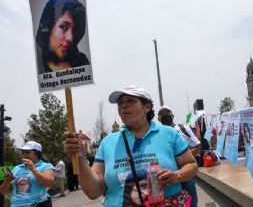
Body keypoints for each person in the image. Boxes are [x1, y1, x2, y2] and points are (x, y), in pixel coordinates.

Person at [64, 85, 198, 206]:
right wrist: (80, 159)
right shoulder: (108, 143)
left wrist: (176, 176)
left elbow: (191, 165)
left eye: (130, 101)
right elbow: (93, 192)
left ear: (147, 107)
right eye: (120, 103)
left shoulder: (169, 134)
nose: (123, 106)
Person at [157, 105, 201, 207]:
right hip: (167, 176)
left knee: (190, 200)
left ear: (172, 115)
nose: (165, 115)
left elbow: (196, 146)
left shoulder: (182, 128)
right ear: (158, 119)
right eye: (162, 114)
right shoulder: (159, 134)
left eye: (167, 113)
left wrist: (183, 160)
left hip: (184, 172)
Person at [35, 0, 89, 74]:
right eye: (64, 27)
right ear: (48, 26)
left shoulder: (82, 62)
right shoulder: (36, 64)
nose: (70, 38)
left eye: (74, 30)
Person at [0, 141, 55, 207]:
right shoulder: (16, 168)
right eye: (23, 152)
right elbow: (4, 192)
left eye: (28, 152)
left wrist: (33, 169)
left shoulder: (46, 166)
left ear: (37, 153)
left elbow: (49, 183)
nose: (24, 155)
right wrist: (7, 181)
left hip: (38, 204)